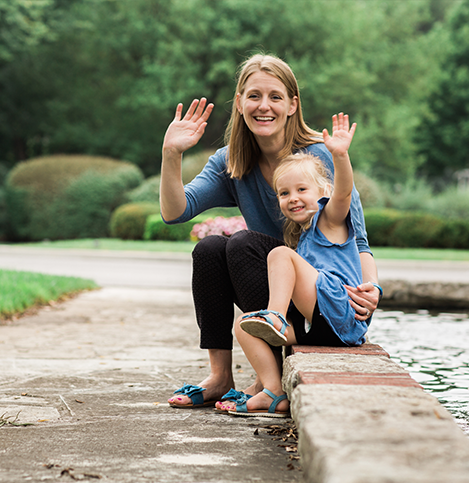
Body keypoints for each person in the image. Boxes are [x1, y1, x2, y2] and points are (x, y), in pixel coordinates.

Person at [160, 54, 381, 410]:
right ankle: (220, 376)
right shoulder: (231, 161)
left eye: (275, 97)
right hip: (274, 282)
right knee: (210, 250)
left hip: (312, 295)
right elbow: (175, 211)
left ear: (293, 104)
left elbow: (358, 239)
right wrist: (171, 154)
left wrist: (371, 290)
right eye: (254, 96)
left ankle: (269, 372)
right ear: (239, 103)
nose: (264, 106)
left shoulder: (319, 157)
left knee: (243, 243)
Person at [226, 113, 367, 416]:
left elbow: (342, 192)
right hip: (321, 326)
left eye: (302, 190)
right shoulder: (302, 237)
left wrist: (340, 156)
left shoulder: (329, 220)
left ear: (321, 192)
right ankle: (273, 391)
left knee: (278, 255)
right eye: (284, 193)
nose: (293, 198)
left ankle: (274, 316)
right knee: (243, 327)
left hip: (340, 309)